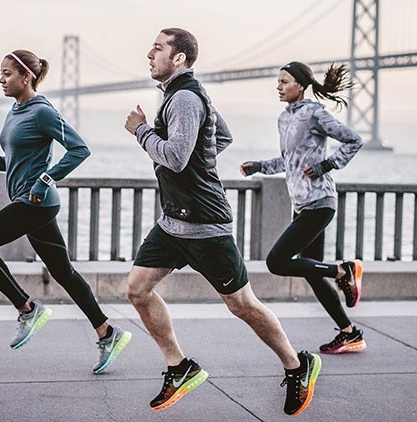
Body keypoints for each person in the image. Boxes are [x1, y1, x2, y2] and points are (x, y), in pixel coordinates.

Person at [123, 28, 320, 416]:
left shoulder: (184, 99)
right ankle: (179, 366)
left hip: (204, 223)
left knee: (241, 304)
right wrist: (199, 158)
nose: (149, 53)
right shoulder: (182, 96)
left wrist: (140, 131)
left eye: (158, 48)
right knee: (137, 289)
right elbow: (221, 136)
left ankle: (298, 365)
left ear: (178, 58)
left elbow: (176, 158)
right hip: (172, 222)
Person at [0, 49, 131, 374]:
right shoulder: (15, 111)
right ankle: (107, 333)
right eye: (0, 73)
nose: (1, 79)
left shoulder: (43, 112)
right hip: (31, 201)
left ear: (27, 77)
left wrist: (45, 179)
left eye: (7, 73)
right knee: (63, 271)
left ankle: (28, 309)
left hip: (35, 202)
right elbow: (15, 161)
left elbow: (80, 148)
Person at [239, 61, 366, 355]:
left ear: (301, 85)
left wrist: (325, 165)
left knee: (277, 261)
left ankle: (344, 272)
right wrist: (259, 166)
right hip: (302, 205)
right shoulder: (284, 119)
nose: (279, 87)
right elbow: (289, 160)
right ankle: (350, 333)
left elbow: (353, 140)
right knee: (312, 272)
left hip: (320, 202)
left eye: (285, 81)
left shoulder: (315, 113)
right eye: (278, 82)